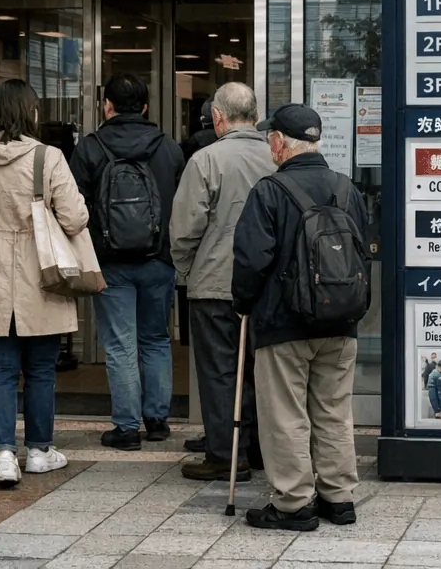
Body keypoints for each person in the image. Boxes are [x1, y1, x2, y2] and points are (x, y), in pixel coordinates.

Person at [232, 103, 369, 532]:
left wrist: (243, 303)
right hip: (341, 321)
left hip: (284, 324)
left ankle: (294, 503)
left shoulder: (269, 191)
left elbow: (251, 260)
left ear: (278, 142)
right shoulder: (347, 189)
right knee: (334, 410)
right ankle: (339, 497)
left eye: (270, 139)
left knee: (286, 414)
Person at [0, 79, 89, 488]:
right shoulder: (48, 157)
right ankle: (40, 451)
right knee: (41, 368)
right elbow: (75, 218)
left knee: (1, 369)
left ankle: (5, 456)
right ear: (31, 112)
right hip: (40, 272)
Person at [70, 72, 184, 451]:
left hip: (110, 262)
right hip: (159, 260)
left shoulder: (90, 148)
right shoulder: (168, 148)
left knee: (120, 344)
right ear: (146, 107)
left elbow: (74, 206)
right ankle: (157, 420)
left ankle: (126, 427)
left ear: (107, 106)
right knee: (156, 338)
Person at [170, 82, 276, 481]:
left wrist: (186, 270)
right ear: (255, 115)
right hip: (266, 285)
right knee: (263, 370)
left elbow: (185, 228)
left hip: (215, 284)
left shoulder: (205, 159)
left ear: (217, 117)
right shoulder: (276, 156)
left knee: (219, 372)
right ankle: (261, 448)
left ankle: (225, 454)